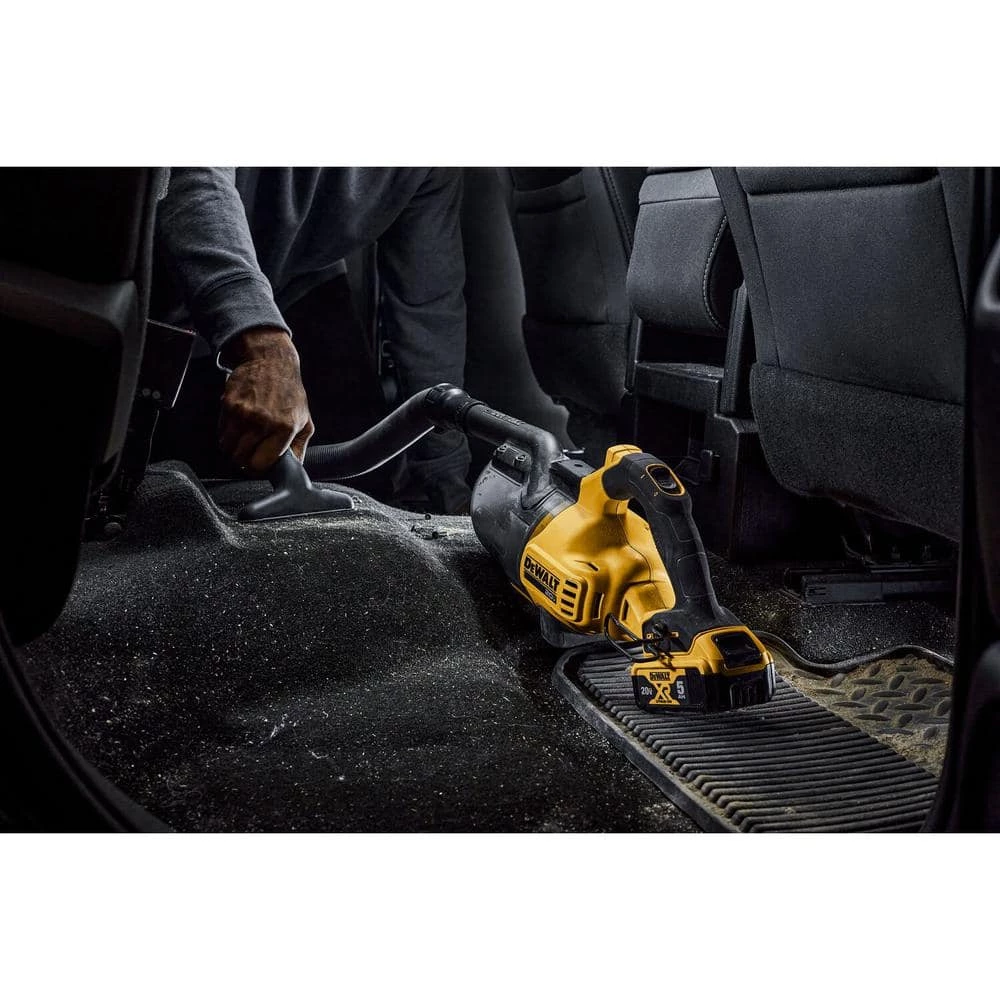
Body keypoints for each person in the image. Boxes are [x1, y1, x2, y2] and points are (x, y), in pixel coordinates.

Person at [153, 167, 472, 512]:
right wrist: (260, 345)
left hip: (294, 280)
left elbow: (428, 309)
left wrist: (448, 482)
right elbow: (191, 177)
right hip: (160, 293)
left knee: (365, 490)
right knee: (173, 497)